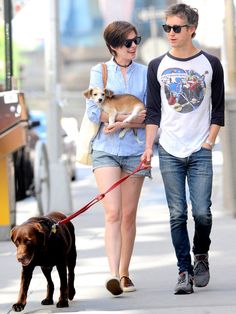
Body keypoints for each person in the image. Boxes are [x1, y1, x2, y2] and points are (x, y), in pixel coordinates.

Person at [141, 3, 225, 295]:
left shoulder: (210, 64)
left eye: (177, 28)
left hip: (201, 149)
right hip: (169, 150)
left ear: (192, 29)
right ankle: (184, 270)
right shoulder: (156, 66)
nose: (171, 33)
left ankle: (201, 254)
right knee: (177, 213)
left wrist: (209, 141)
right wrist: (149, 148)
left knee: (202, 213)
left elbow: (218, 111)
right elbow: (153, 112)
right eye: (167, 28)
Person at [86, 20, 151, 296]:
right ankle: (113, 274)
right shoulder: (99, 72)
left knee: (128, 215)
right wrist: (130, 118)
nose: (134, 46)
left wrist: (122, 122)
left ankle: (125, 272)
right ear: (113, 46)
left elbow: (149, 116)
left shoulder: (147, 73)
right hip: (105, 150)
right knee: (112, 212)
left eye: (137, 40)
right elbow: (93, 113)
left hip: (135, 151)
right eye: (128, 42)